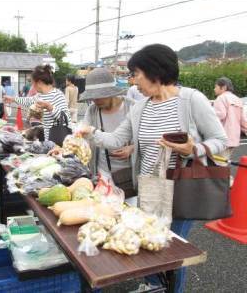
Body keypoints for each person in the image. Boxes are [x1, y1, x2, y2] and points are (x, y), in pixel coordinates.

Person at [77, 44, 227, 293]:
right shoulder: (140, 107)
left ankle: (170, 289)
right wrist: (90, 132)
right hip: (148, 187)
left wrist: (193, 149)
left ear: (154, 73)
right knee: (149, 242)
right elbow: (115, 139)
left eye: (135, 73)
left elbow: (220, 140)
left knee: (170, 249)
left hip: (180, 187)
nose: (132, 81)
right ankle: (153, 285)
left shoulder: (191, 100)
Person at [79, 68, 135, 197]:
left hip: (127, 172)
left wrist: (132, 148)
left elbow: (146, 139)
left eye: (100, 97)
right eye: (93, 97)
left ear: (112, 93)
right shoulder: (93, 110)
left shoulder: (132, 107)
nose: (96, 101)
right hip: (102, 171)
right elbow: (83, 134)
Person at [5, 65, 71, 141]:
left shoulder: (57, 95)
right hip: (48, 140)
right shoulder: (40, 96)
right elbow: (29, 101)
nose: (32, 86)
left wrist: (49, 107)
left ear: (39, 83)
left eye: (33, 83)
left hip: (60, 141)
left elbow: (66, 118)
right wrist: (13, 99)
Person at [213, 77, 247, 160]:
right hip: (233, 138)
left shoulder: (221, 98)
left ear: (223, 87)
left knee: (217, 162)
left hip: (222, 138)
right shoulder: (237, 99)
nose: (214, 89)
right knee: (225, 160)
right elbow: (243, 120)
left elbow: (220, 115)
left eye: (216, 87)